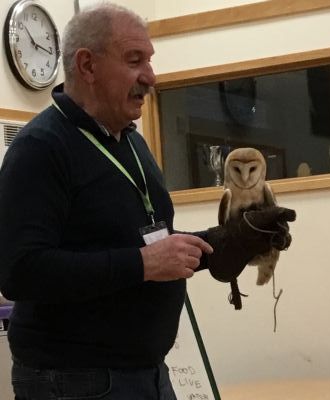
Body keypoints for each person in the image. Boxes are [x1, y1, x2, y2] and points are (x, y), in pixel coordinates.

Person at [0, 3, 294, 399]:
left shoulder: (131, 141)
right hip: (76, 382)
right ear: (87, 65)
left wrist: (227, 240)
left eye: (150, 60)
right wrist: (142, 264)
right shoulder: (41, 148)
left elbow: (150, 245)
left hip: (147, 374)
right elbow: (20, 271)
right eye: (134, 60)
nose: (151, 77)